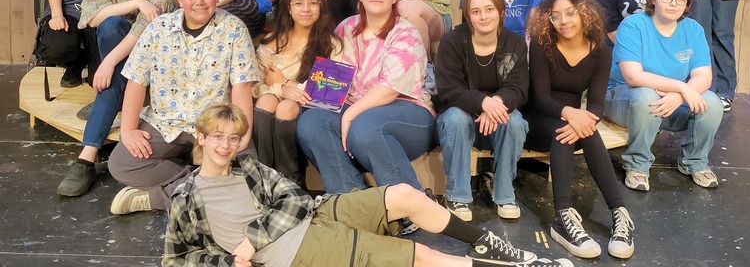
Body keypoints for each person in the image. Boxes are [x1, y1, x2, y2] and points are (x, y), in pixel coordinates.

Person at [164, 103, 566, 267]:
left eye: (233, 138)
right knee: (420, 255)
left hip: (313, 215)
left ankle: (489, 244)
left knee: (405, 194)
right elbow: (176, 259)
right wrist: (228, 261)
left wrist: (252, 237)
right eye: (217, 138)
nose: (225, 146)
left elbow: (294, 198)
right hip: (293, 249)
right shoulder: (184, 196)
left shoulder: (247, 168)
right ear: (201, 138)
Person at [106, 0, 259, 214]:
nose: (199, 2)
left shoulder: (234, 28)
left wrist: (243, 134)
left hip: (215, 125)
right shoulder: (159, 28)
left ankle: (157, 198)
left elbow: (242, 86)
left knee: (250, 177)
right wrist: (128, 130)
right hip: (165, 122)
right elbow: (136, 80)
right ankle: (207, 184)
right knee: (122, 164)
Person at [56, 0, 181, 197]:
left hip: (157, 54)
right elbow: (91, 16)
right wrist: (136, 2)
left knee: (115, 53)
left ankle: (86, 158)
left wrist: (109, 63)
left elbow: (146, 28)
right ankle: (106, 115)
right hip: (119, 48)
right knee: (112, 25)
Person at [296, 0, 435, 196]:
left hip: (407, 112)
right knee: (311, 122)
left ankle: (410, 201)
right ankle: (353, 198)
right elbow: (332, 81)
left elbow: (389, 90)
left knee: (365, 127)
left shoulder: (405, 33)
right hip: (356, 108)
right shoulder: (346, 28)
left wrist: (350, 115)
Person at [525, 0, 634, 260]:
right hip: (537, 119)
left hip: (571, 120)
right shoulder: (541, 44)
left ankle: (619, 214)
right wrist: (571, 114)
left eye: (570, 13)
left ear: (585, 13)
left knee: (585, 130)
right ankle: (562, 218)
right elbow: (540, 97)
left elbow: (596, 104)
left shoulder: (601, 52)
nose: (564, 21)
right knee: (564, 131)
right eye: (556, 16)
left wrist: (581, 118)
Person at [605, 0, 724, 191]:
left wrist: (678, 96)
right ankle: (637, 165)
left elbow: (703, 76)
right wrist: (681, 88)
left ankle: (694, 162)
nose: (673, 4)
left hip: (670, 101)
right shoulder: (633, 25)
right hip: (626, 99)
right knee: (646, 96)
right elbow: (633, 76)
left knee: (712, 102)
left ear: (687, 4)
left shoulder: (693, 29)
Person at [435, 0, 529, 221]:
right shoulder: (452, 41)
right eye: (476, 11)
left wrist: (494, 104)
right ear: (468, 16)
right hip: (460, 116)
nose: (484, 16)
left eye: (489, 9)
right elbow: (448, 89)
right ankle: (457, 195)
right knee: (456, 118)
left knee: (515, 121)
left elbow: (518, 88)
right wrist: (482, 102)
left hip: (498, 116)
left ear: (501, 11)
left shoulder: (515, 43)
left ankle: (504, 193)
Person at [252, 0, 342, 184]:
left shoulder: (331, 44)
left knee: (286, 107)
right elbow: (255, 87)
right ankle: (264, 177)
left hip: (311, 108)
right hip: (274, 100)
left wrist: (287, 84)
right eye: (299, 3)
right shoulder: (271, 43)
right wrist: (282, 89)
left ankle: (292, 181)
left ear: (321, 7)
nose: (306, 9)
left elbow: (330, 93)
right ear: (289, 9)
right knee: (266, 101)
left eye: (313, 3)